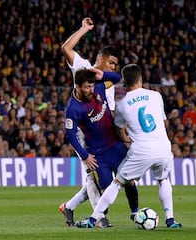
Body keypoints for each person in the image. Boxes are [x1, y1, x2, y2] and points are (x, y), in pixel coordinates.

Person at [76, 64, 182, 228]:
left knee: (117, 183)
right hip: (163, 147)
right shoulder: (156, 96)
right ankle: (170, 219)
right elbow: (164, 123)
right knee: (163, 179)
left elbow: (119, 132)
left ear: (124, 83)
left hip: (141, 151)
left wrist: (127, 138)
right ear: (141, 79)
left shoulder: (122, 104)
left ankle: (92, 219)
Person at [59, 17, 137, 226]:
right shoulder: (83, 67)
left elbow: (111, 107)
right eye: (110, 62)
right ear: (100, 58)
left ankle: (70, 206)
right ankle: (100, 217)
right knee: (93, 173)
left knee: (103, 179)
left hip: (105, 134)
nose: (113, 67)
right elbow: (66, 47)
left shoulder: (104, 83)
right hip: (85, 133)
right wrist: (84, 29)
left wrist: (122, 135)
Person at [64, 68, 138, 228]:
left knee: (130, 181)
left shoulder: (99, 87)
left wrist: (102, 75)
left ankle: (135, 213)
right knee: (106, 191)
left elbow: (118, 77)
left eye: (92, 86)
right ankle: (98, 219)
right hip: (98, 155)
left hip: (116, 147)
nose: (91, 90)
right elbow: (70, 135)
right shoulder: (73, 109)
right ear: (77, 86)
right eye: (87, 87)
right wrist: (84, 155)